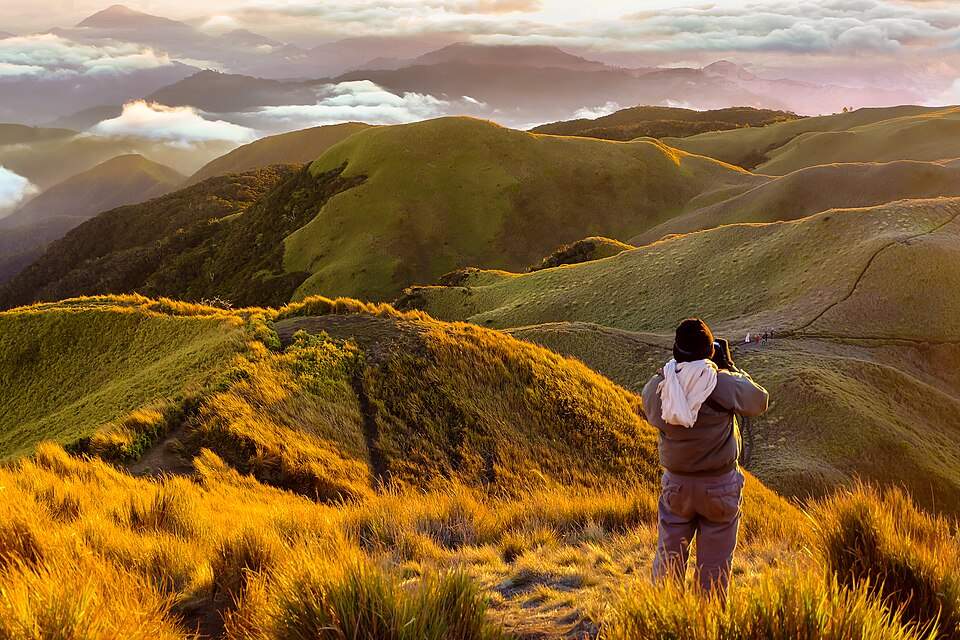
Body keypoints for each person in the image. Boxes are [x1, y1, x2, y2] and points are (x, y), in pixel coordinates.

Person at [641, 318, 769, 602]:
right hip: (720, 486)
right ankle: (705, 623)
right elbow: (759, 401)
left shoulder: (660, 387)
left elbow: (651, 413)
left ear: (676, 351)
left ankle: (664, 623)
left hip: (677, 486)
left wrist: (676, 376)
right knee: (713, 568)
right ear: (710, 351)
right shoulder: (720, 383)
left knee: (668, 561)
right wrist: (730, 368)